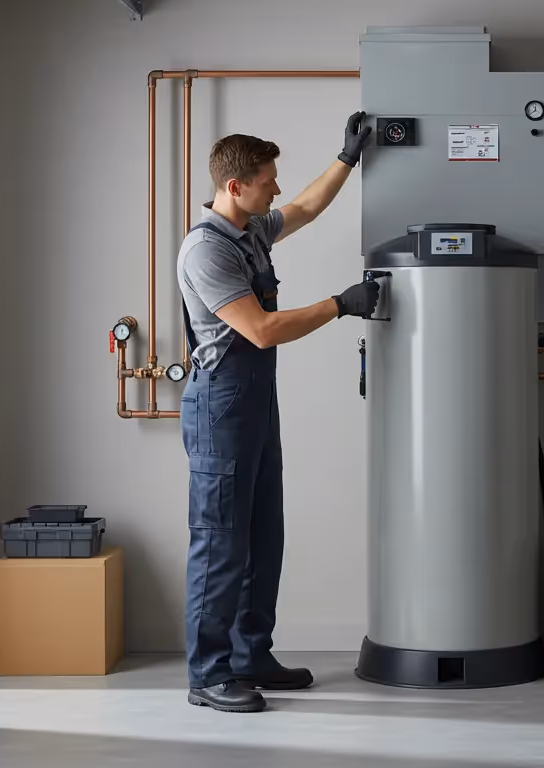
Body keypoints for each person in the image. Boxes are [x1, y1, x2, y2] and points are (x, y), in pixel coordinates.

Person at [175, 113, 376, 713]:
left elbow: (308, 208)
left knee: (264, 534)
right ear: (235, 187)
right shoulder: (206, 250)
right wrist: (340, 305)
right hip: (221, 406)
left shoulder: (250, 232)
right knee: (219, 543)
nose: (277, 190)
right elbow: (260, 330)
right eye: (268, 180)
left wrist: (349, 157)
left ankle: (249, 656)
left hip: (255, 403)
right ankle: (209, 675)